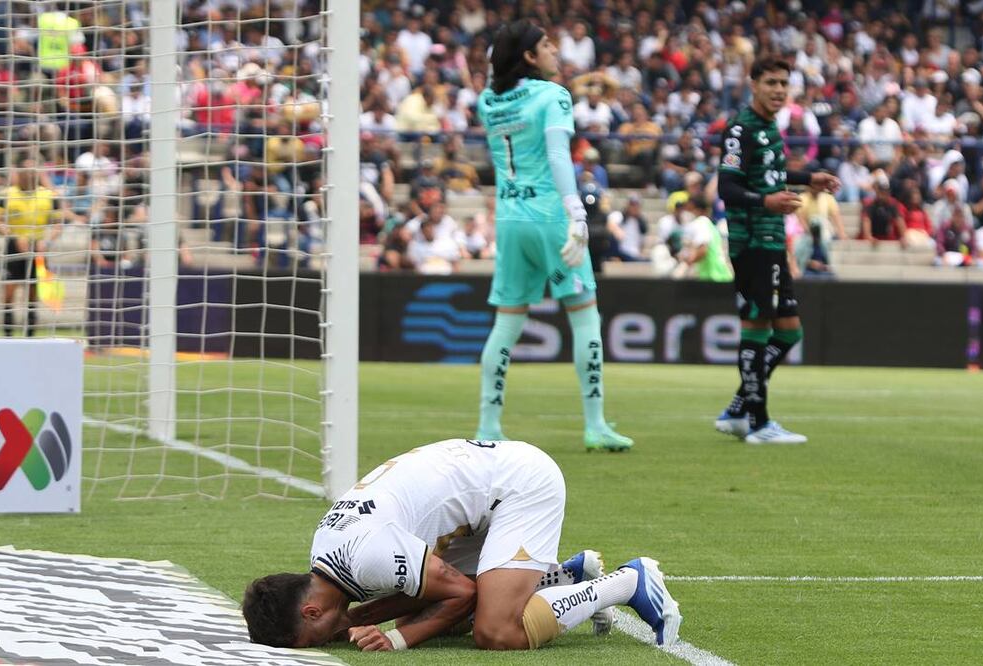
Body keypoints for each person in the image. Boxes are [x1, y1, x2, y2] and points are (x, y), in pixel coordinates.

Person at [242, 439, 681, 651]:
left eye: (310, 640)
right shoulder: (328, 554)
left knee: (495, 632)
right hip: (478, 498)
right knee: (447, 616)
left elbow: (461, 593)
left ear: (311, 611)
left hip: (519, 484)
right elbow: (418, 590)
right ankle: (566, 575)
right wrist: (358, 620)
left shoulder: (363, 557)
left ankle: (627, 581)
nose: (320, 644)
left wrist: (397, 639)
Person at [472, 22, 632, 451]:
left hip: (509, 220)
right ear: (528, 56)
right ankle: (595, 424)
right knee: (585, 317)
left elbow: (492, 74)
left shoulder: (487, 101)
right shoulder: (553, 96)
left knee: (506, 325)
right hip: (549, 217)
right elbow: (559, 154)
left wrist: (500, 52)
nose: (555, 50)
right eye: (545, 44)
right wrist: (576, 213)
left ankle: (488, 427)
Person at [713, 57, 840, 445]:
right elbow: (727, 187)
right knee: (758, 326)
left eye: (784, 83)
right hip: (751, 241)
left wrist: (807, 178)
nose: (779, 90)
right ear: (753, 84)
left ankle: (738, 408)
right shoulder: (741, 128)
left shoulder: (769, 126)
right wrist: (765, 203)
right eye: (771, 82)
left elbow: (769, 174)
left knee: (789, 332)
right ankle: (758, 423)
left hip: (771, 241)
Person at [0, 167, 78, 337]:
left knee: (33, 295)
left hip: (38, 248)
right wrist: (14, 236)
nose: (28, 174)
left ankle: (29, 337)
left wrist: (45, 241)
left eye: (32, 171)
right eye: (25, 171)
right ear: (19, 174)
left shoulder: (48, 195)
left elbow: (58, 224)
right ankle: (7, 337)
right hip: (14, 248)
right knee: (8, 294)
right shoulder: (6, 194)